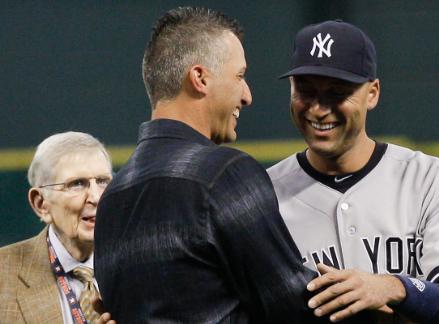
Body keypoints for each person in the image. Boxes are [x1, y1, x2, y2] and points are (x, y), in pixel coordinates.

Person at [93, 7, 374, 324]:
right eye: (239, 76)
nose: (247, 95)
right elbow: (296, 308)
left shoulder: (112, 199)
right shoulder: (222, 174)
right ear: (200, 78)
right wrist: (398, 301)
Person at [267, 20, 439, 323]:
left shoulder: (429, 180)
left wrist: (392, 288)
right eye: (306, 91)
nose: (318, 109)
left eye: (336, 93)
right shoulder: (265, 197)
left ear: (372, 94)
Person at [0, 131, 113, 324]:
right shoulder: (4, 275)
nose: (95, 197)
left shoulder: (143, 267)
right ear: (41, 204)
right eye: (77, 184)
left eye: (103, 181)